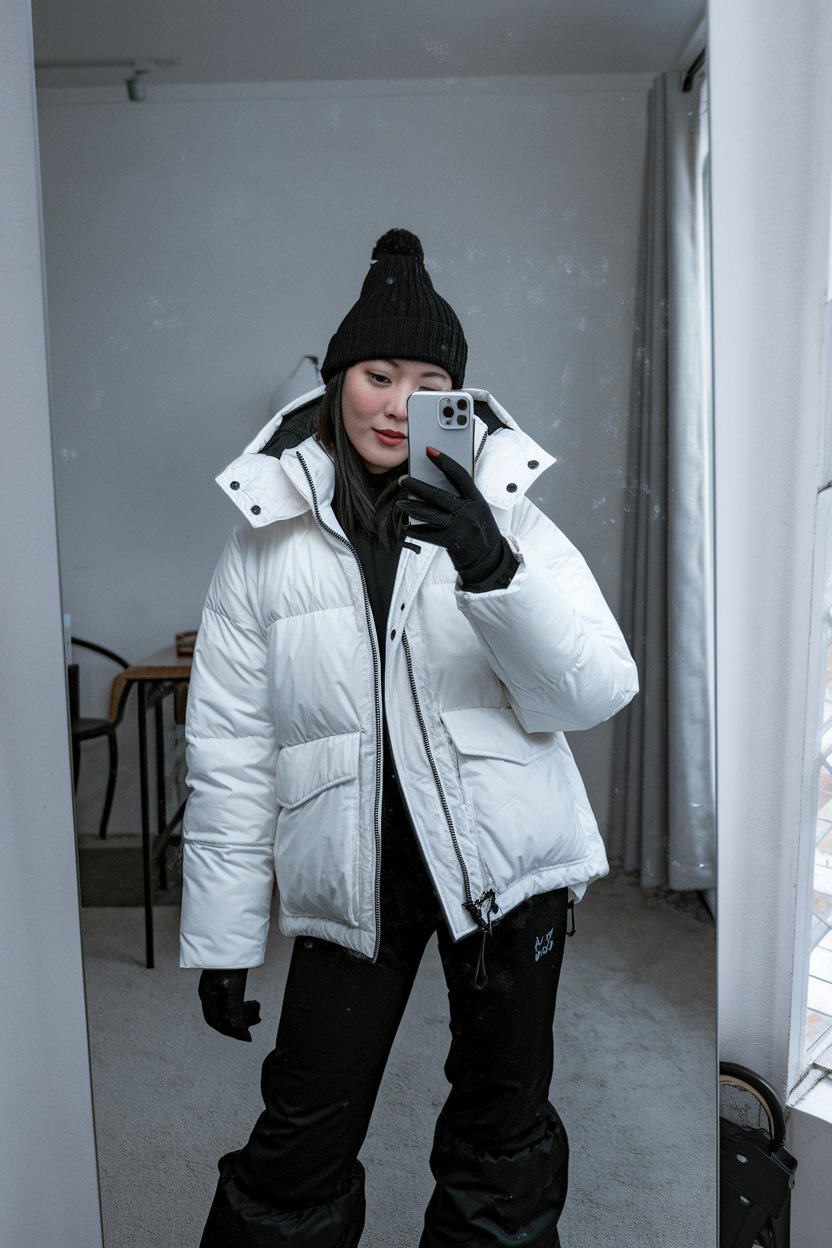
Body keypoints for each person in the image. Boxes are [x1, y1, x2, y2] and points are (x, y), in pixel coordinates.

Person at [180, 228, 638, 1247]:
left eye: (427, 381)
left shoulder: (512, 518)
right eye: (378, 374)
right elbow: (231, 748)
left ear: (458, 402)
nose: (396, 402)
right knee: (300, 1135)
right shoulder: (264, 546)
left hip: (506, 870)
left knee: (500, 1129)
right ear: (336, 382)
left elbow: (599, 689)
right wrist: (221, 935)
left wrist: (491, 570)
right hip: (356, 871)